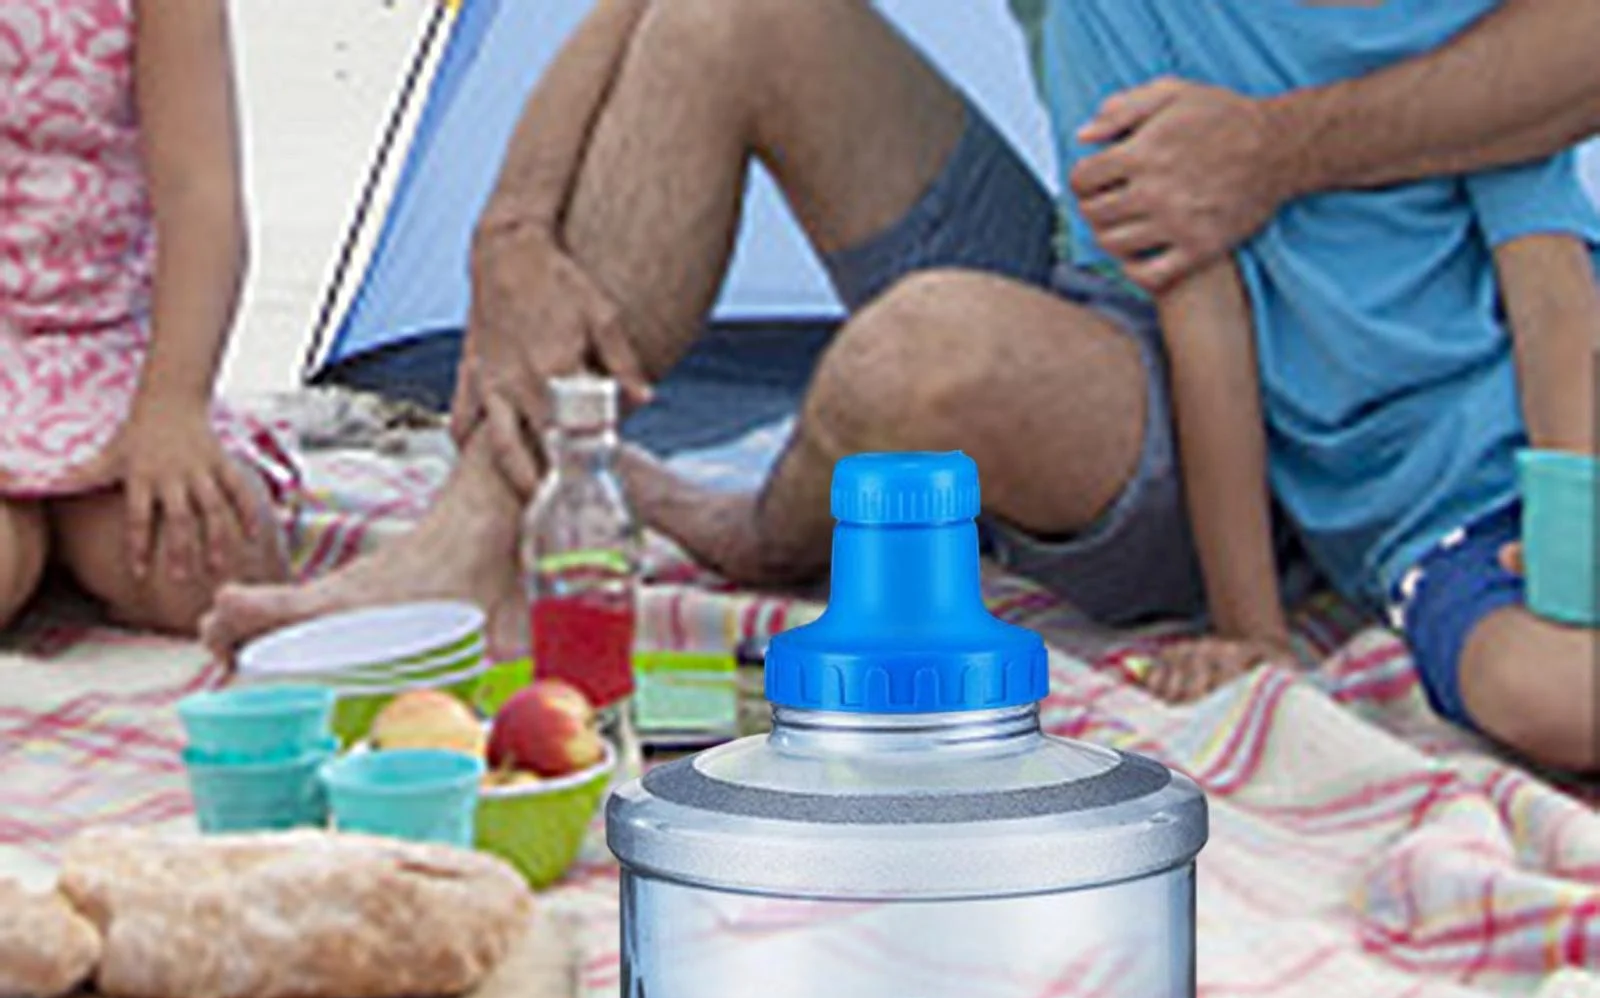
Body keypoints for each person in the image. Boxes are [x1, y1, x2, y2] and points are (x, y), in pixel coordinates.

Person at [200, 0, 1600, 692]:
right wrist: (510, 227)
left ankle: (768, 527)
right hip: (1154, 336)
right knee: (736, 20)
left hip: (1398, 362)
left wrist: (1272, 153)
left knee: (911, 360)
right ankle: (481, 542)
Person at [1032, 1, 1598, 773]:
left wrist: (1575, 538)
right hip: (1434, 517)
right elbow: (1204, 326)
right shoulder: (1120, 21)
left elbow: (1553, 294)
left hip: (1570, 443)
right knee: (1546, 696)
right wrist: (1251, 632)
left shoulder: (1476, 24)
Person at [0, 0, 291, 638]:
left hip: (108, 353)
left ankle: (71, 535)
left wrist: (172, 406)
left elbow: (199, 194)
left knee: (216, 571)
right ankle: (36, 547)